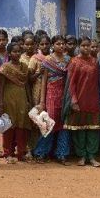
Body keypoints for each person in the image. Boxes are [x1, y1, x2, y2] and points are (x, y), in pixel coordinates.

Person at [62, 37, 100, 167]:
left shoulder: (95, 62)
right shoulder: (74, 62)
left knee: (93, 131)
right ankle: (82, 156)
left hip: (93, 101)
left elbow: (99, 82)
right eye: (83, 45)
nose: (86, 48)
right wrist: (73, 101)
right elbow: (71, 83)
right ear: (79, 46)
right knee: (79, 131)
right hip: (78, 100)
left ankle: (92, 156)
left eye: (88, 45)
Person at [34, 35, 71, 165]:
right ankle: (41, 153)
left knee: (63, 124)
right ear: (53, 45)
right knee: (49, 124)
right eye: (58, 44)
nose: (61, 46)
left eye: (63, 44)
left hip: (65, 95)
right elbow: (43, 81)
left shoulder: (68, 60)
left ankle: (62, 154)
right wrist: (42, 101)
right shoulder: (48, 60)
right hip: (51, 94)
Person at [0, 42, 32, 163]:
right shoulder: (5, 67)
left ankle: (21, 153)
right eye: (14, 52)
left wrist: (29, 100)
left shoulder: (24, 67)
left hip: (22, 99)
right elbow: (0, 87)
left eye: (18, 51)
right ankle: (8, 153)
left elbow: (26, 84)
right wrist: (0, 103)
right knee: (9, 126)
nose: (17, 54)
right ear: (9, 53)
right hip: (8, 99)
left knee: (22, 126)